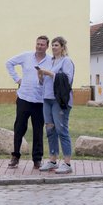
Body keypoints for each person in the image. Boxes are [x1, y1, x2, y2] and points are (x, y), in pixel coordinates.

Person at [5, 35, 50, 169]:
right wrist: (18, 80)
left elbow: (52, 76)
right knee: (19, 127)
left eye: (42, 44)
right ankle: (15, 156)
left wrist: (43, 81)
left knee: (38, 130)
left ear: (47, 47)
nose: (39, 46)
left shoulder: (50, 61)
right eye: (37, 44)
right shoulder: (26, 56)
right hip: (24, 97)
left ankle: (37, 159)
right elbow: (9, 63)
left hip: (40, 100)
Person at [37, 36, 75, 174]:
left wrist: (50, 73)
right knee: (50, 130)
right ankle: (52, 160)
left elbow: (66, 79)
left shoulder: (67, 61)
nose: (53, 47)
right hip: (47, 99)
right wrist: (41, 76)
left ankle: (67, 163)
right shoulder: (50, 61)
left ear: (63, 47)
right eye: (52, 45)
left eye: (56, 45)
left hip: (60, 101)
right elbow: (44, 83)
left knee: (61, 129)